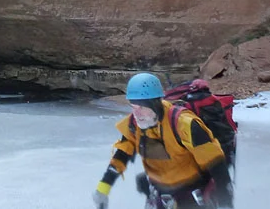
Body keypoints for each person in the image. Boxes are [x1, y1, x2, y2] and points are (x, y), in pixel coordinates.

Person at [92, 73, 233, 209]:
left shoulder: (184, 124)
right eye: (133, 107)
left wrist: (225, 202)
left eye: (142, 107)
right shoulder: (134, 124)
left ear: (155, 104)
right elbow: (122, 155)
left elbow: (216, 163)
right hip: (160, 196)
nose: (136, 113)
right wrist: (103, 189)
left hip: (194, 198)